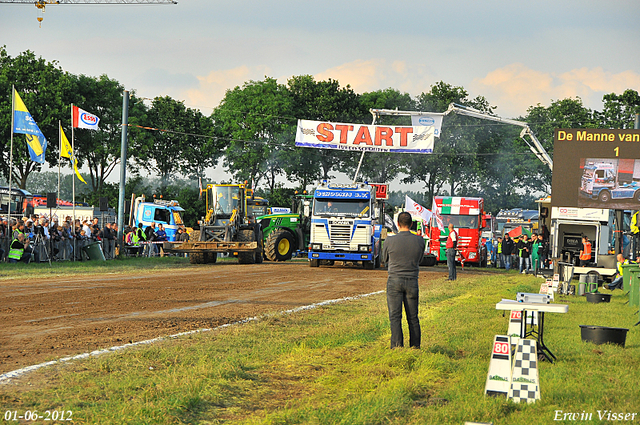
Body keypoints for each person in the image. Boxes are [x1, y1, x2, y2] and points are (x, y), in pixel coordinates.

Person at [381, 211, 425, 349]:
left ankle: (397, 346)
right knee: (413, 317)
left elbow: (384, 259)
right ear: (411, 224)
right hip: (412, 280)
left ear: (398, 224)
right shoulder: (419, 240)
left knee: (395, 317)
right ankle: (415, 347)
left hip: (394, 280)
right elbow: (420, 259)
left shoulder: (389, 240)